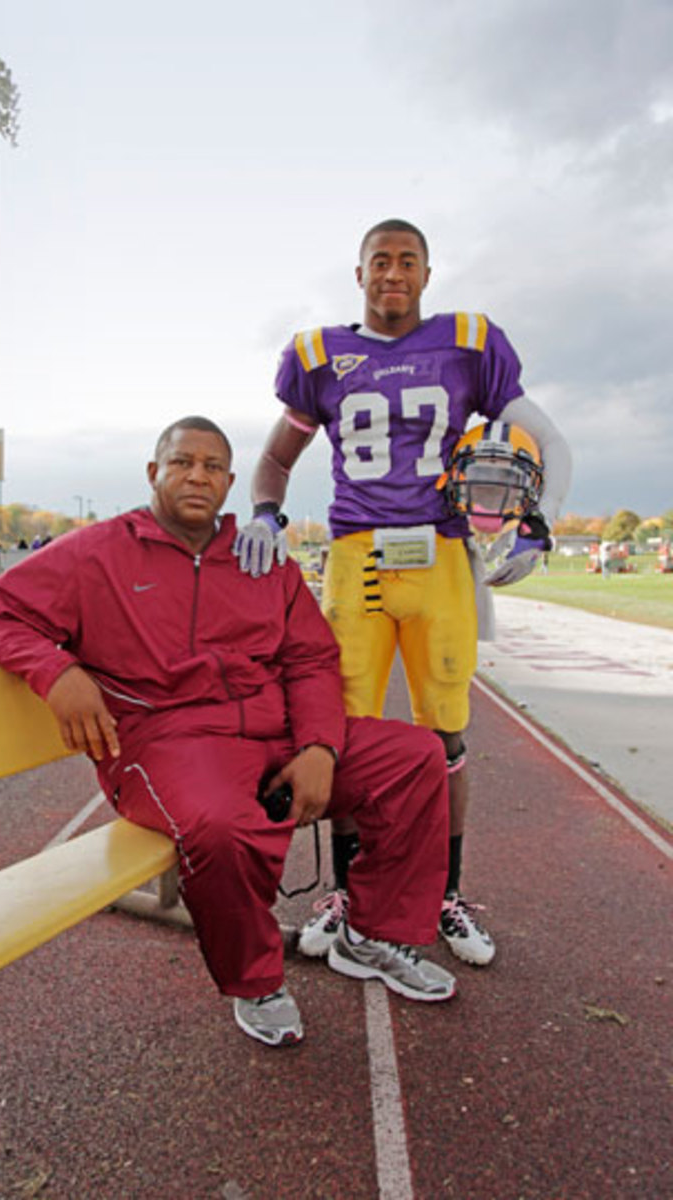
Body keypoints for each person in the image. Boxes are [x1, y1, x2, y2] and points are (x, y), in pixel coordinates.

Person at [0, 415, 457, 1048]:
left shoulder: (259, 559)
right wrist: (57, 671)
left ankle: (371, 935)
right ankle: (255, 981)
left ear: (230, 483)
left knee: (415, 756)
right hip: (166, 742)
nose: (197, 475)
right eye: (181, 462)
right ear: (153, 472)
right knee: (222, 828)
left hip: (274, 731)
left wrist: (318, 747)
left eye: (213, 466)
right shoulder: (96, 553)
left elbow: (309, 657)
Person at [234, 219, 572, 968]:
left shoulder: (470, 342)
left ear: (427, 273)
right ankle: (350, 894)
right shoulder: (320, 355)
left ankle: (445, 893)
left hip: (443, 556)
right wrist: (264, 511)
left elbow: (548, 441)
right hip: (356, 562)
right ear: (358, 275)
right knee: (345, 741)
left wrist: (537, 525)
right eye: (379, 261)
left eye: (407, 261)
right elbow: (274, 458)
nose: (393, 273)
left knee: (446, 738)